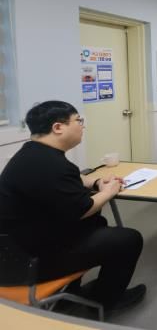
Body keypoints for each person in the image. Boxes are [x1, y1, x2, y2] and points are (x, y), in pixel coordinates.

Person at [0, 101, 145, 311]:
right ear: (58, 127)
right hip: (29, 263)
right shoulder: (50, 164)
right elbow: (82, 209)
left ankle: (73, 292)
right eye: (78, 120)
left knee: (97, 223)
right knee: (128, 239)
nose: (83, 126)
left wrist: (96, 182)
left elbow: (71, 178)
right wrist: (108, 191)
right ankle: (104, 302)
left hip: (15, 251)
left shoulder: (32, 154)